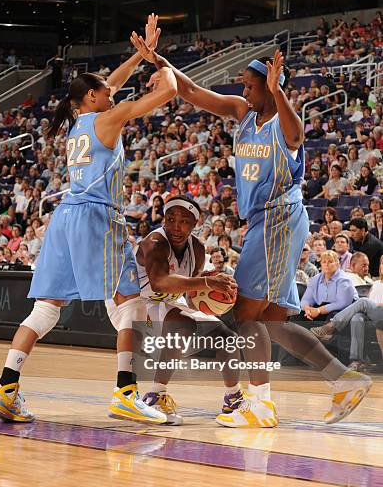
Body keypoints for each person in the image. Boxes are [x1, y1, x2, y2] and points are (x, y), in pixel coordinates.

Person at [130, 36, 371, 426]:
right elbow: (190, 91)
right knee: (272, 323)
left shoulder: (283, 124)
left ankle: (260, 405)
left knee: (244, 313)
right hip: (265, 222)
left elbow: (295, 135)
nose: (243, 90)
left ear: (270, 87)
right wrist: (157, 60)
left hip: (278, 219)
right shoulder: (242, 113)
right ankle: (343, 379)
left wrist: (279, 94)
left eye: (250, 85)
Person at [0, 15, 178, 425]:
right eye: (105, 92)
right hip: (97, 216)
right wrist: (158, 62)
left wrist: (136, 57)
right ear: (92, 97)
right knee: (131, 301)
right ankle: (126, 392)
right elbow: (169, 92)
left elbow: (110, 84)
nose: (112, 92)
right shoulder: (109, 117)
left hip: (64, 218)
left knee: (46, 309)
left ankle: (5, 387)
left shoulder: (79, 122)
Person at [136, 196, 274, 426]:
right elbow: (159, 281)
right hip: (139, 303)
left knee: (227, 338)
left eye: (184, 221)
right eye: (171, 219)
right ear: (163, 220)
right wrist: (208, 285)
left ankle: (233, 397)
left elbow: (190, 296)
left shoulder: (198, 249)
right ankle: (155, 396)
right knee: (183, 325)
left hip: (169, 301)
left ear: (195, 224)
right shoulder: (155, 242)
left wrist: (214, 300)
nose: (176, 226)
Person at [312, 256, 383, 373]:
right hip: (372, 317)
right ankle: (356, 360)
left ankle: (331, 326)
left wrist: (376, 305)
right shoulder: (375, 284)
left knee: (363, 301)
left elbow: (369, 303)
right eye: (382, 263)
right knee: (357, 318)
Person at [301, 250, 358, 321]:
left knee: (333, 316)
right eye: (324, 262)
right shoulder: (315, 279)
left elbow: (342, 303)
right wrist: (307, 309)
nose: (326, 264)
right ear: (321, 264)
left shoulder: (344, 280)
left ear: (337, 264)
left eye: (330, 262)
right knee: (299, 314)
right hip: (320, 308)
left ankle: (320, 332)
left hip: (341, 310)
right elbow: (306, 299)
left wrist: (319, 310)